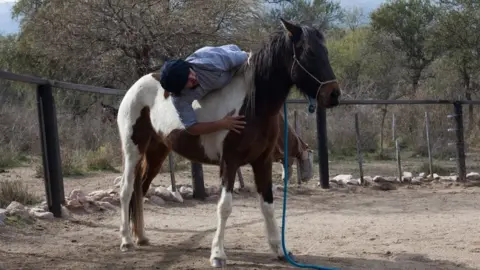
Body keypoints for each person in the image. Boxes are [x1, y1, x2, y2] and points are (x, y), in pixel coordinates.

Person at [159, 44, 249, 136]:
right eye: (186, 81)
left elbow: (246, 57)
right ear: (180, 90)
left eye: (189, 72)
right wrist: (222, 124)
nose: (192, 78)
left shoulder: (210, 61)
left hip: (232, 61)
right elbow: (191, 127)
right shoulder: (179, 97)